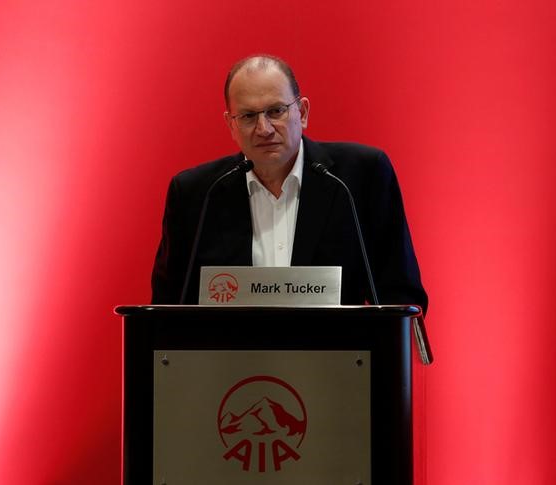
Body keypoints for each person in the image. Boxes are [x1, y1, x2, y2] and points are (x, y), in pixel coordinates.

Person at [151, 54, 427, 311]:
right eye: (248, 116)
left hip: (338, 358)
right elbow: (168, 307)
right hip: (228, 360)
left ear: (302, 112)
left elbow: (400, 294)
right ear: (230, 125)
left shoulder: (358, 177)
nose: (264, 129)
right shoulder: (196, 194)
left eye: (276, 111)